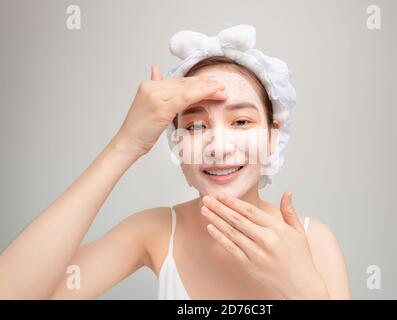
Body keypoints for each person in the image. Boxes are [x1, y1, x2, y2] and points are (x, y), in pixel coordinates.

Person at [0, 25, 351, 300]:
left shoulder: (313, 241)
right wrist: (126, 144)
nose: (219, 147)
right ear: (176, 143)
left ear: (275, 135)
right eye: (195, 126)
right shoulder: (153, 232)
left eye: (241, 122)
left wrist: (304, 289)